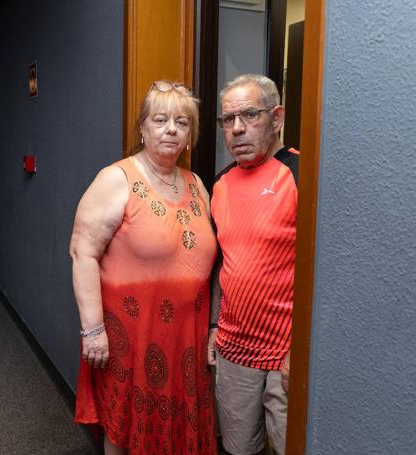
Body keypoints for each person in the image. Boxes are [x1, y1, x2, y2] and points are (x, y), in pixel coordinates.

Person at [71, 81, 218, 454]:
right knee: (126, 428)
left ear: (190, 134)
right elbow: (82, 254)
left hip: (186, 337)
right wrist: (92, 330)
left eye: (182, 122)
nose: (171, 129)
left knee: (177, 428)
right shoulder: (116, 179)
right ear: (143, 127)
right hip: (132, 337)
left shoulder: (197, 184)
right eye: (160, 119)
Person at [207, 74, 299, 455]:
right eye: (228, 120)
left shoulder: (301, 174)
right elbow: (217, 266)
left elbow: (326, 274)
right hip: (233, 352)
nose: (237, 129)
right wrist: (213, 324)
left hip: (285, 356)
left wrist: (304, 349)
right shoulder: (220, 184)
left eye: (249, 115)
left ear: (276, 118)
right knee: (238, 449)